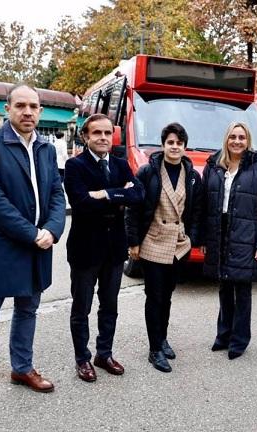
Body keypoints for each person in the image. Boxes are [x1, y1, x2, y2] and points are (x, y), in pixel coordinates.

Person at [0, 84, 66, 426]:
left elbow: (56, 195)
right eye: (20, 105)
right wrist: (33, 233)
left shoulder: (47, 149)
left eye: (34, 106)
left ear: (41, 111)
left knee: (28, 310)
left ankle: (21, 369)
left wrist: (53, 228)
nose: (28, 112)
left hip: (39, 245)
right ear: (8, 109)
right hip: (2, 247)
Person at [64, 114, 144, 382]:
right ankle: (82, 359)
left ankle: (104, 353)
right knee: (82, 307)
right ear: (86, 136)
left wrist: (105, 194)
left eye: (108, 133)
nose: (103, 138)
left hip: (114, 249)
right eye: (96, 133)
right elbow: (81, 203)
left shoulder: (122, 165)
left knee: (109, 305)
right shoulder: (74, 166)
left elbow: (139, 195)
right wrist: (119, 194)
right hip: (85, 249)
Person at [125, 122, 203, 373]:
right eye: (170, 142)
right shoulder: (147, 172)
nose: (174, 147)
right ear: (163, 145)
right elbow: (133, 209)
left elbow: (197, 210)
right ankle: (154, 349)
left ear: (184, 146)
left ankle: (163, 338)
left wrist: (192, 237)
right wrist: (133, 242)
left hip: (179, 244)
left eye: (179, 143)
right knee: (155, 296)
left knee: (167, 295)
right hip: (153, 241)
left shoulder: (192, 175)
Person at [201, 122, 257, 360]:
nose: (237, 141)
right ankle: (223, 335)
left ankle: (239, 340)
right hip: (220, 231)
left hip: (246, 235)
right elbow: (205, 206)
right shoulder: (213, 166)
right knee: (224, 287)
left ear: (248, 141)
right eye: (233, 137)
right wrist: (205, 237)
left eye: (241, 137)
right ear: (226, 139)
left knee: (242, 290)